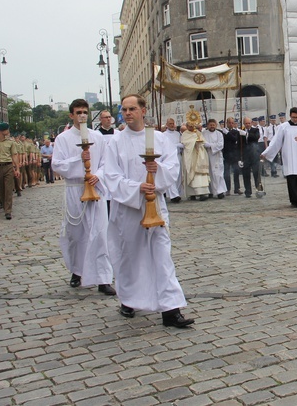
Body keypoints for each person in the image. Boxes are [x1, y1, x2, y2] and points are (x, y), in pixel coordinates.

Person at [103, 94, 194, 328]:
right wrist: (136, 188)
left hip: (156, 206)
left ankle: (171, 310)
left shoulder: (161, 139)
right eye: (124, 109)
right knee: (130, 257)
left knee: (162, 256)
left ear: (143, 110)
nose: (128, 113)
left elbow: (173, 170)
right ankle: (129, 300)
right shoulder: (115, 142)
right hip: (128, 208)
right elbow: (111, 176)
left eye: (132, 108)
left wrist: (157, 169)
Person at [52, 99, 116, 295]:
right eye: (78, 112)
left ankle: (103, 278)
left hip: (95, 188)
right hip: (75, 188)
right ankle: (77, 271)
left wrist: (99, 175)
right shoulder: (63, 139)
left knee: (99, 232)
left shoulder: (98, 137)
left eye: (85, 112)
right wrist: (77, 159)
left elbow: (108, 162)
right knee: (75, 234)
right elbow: (57, 165)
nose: (82, 115)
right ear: (71, 115)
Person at [261, 107, 297, 207]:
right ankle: (295, 199)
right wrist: (266, 153)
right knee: (292, 179)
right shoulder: (283, 127)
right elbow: (276, 142)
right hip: (289, 156)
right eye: (293, 117)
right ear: (290, 116)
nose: (295, 119)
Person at [181, 120, 211, 201]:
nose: (191, 128)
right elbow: (185, 143)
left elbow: (203, 141)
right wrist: (194, 141)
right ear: (187, 126)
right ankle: (192, 194)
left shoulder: (198, 132)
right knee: (191, 172)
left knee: (200, 174)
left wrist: (202, 143)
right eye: (189, 126)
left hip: (200, 154)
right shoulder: (185, 134)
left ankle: (202, 193)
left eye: (192, 126)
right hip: (190, 155)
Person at [202, 119, 227, 199]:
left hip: (217, 156)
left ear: (216, 125)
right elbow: (203, 143)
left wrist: (210, 145)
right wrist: (209, 145)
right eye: (210, 125)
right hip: (208, 156)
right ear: (208, 125)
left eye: (213, 125)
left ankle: (220, 191)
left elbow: (220, 145)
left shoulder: (219, 134)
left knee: (218, 174)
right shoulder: (204, 133)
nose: (212, 126)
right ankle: (211, 191)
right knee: (209, 174)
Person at [238, 117, 261, 198]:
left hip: (254, 155)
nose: (247, 125)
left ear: (251, 123)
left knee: (256, 174)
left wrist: (246, 134)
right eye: (246, 123)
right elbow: (239, 146)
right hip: (245, 156)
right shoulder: (240, 131)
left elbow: (256, 138)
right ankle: (248, 191)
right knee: (246, 175)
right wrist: (239, 158)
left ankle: (259, 190)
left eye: (249, 123)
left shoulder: (255, 130)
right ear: (244, 124)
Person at [163, 117, 183, 203]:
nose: (172, 125)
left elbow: (182, 144)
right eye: (170, 124)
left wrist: (177, 145)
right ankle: (173, 195)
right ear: (167, 125)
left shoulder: (178, 134)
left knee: (178, 175)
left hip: (178, 156)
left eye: (173, 123)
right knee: (171, 175)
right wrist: (176, 145)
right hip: (169, 157)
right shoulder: (163, 134)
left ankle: (177, 193)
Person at [222, 117, 242, 195]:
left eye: (232, 123)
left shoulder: (235, 132)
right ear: (227, 123)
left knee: (236, 172)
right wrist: (225, 133)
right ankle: (227, 189)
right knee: (226, 173)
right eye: (229, 123)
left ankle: (237, 188)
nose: (231, 124)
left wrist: (227, 133)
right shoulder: (223, 132)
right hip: (226, 154)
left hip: (234, 155)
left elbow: (234, 139)